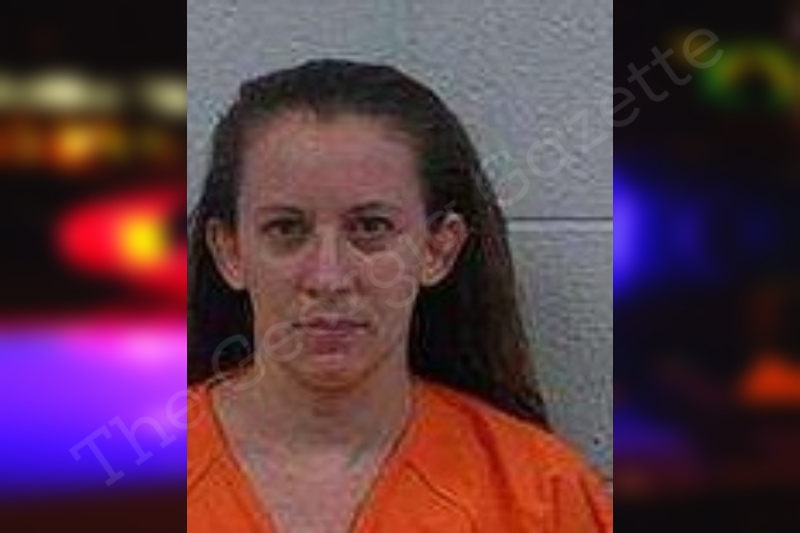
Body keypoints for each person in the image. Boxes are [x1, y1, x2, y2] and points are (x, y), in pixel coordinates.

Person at [187, 59, 612, 532]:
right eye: (286, 229)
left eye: (371, 227)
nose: (328, 277)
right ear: (230, 252)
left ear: (437, 249)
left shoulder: (543, 496)